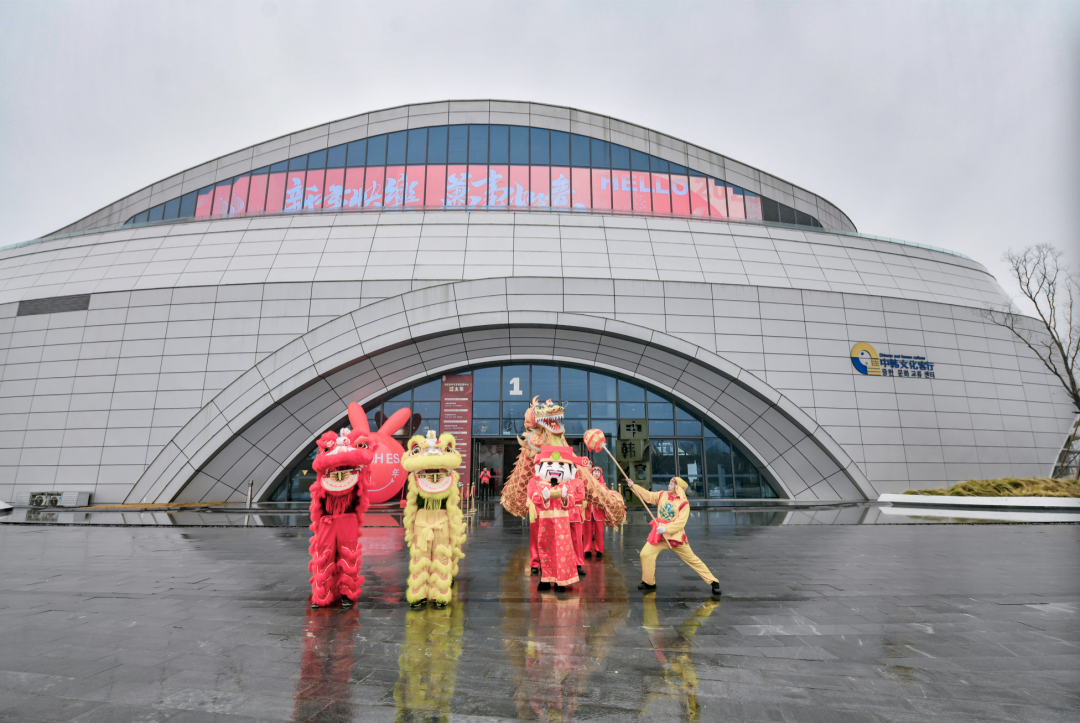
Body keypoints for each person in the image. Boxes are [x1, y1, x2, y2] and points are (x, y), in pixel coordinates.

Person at [628, 477, 721, 597]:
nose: (669, 486)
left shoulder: (684, 503)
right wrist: (634, 486)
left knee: (693, 560)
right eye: (669, 484)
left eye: (672, 484)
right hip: (660, 536)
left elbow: (680, 522)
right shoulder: (662, 495)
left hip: (675, 538)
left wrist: (666, 528)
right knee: (645, 554)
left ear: (678, 488)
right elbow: (648, 495)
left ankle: (713, 582)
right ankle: (649, 582)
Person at [528, 445, 582, 591]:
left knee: (562, 552)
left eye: (561, 465)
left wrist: (564, 497)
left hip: (562, 525)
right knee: (545, 550)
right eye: (550, 464)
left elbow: (572, 501)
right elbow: (535, 498)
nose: (555, 469)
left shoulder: (567, 486)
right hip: (545, 523)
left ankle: (561, 580)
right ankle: (546, 579)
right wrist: (544, 498)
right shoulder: (540, 485)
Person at [583, 466, 606, 560]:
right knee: (587, 531)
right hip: (588, 510)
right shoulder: (586, 484)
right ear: (591, 473)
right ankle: (587, 550)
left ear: (600, 474)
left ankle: (599, 551)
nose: (596, 473)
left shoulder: (603, 486)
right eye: (594, 472)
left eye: (598, 472)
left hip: (599, 511)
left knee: (599, 532)